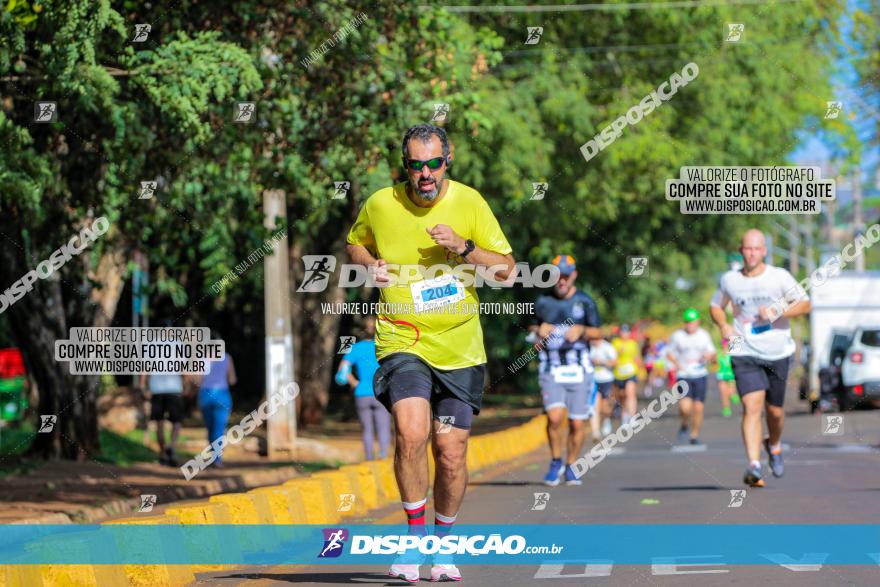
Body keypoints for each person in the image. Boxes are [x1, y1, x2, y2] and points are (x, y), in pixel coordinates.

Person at [346, 123, 515, 583]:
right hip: (403, 341)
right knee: (411, 431)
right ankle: (414, 542)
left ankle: (443, 549)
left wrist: (464, 247)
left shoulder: (470, 202)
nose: (425, 174)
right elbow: (354, 242)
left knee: (452, 450)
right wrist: (369, 265)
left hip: (460, 348)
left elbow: (507, 271)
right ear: (405, 166)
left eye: (433, 163)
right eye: (416, 165)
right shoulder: (381, 203)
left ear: (448, 160)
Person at [710, 229, 810, 487]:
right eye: (747, 248)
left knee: (774, 412)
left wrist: (778, 310)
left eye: (757, 248)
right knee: (751, 407)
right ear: (741, 250)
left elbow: (805, 303)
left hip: (777, 351)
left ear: (764, 251)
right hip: (743, 349)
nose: (752, 253)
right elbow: (715, 306)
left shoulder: (779, 277)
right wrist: (723, 325)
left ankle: (773, 445)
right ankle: (753, 465)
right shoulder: (730, 280)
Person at [530, 255, 602, 486]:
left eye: (566, 276)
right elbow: (531, 328)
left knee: (577, 423)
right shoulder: (542, 301)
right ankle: (555, 461)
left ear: (574, 275)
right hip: (552, 367)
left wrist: (581, 330)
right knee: (554, 417)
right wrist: (539, 330)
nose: (561, 281)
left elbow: (598, 333)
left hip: (579, 368)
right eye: (557, 276)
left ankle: (572, 465)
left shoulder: (585, 301)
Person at [335, 316, 390, 460]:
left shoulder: (355, 348)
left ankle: (369, 457)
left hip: (362, 393)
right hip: (381, 393)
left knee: (367, 429)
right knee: (383, 426)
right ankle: (383, 455)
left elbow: (343, 370)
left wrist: (354, 383)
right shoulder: (385, 347)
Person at [666, 308, 717, 445]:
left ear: (698, 322)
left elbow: (713, 355)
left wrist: (710, 356)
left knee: (699, 407)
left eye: (692, 322)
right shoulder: (678, 336)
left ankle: (694, 434)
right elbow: (669, 353)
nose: (690, 325)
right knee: (685, 407)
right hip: (684, 375)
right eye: (687, 322)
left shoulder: (704, 335)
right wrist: (676, 363)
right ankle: (684, 423)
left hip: (700, 375)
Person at [137, 339, 185, 467]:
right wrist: (188, 385)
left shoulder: (150, 345)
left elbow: (143, 369)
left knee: (159, 422)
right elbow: (184, 369)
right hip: (174, 389)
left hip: (156, 390)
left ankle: (163, 453)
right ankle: (172, 446)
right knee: (177, 421)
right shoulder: (178, 345)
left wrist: (142, 387)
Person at [196, 335, 236, 468]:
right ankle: (217, 458)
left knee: (210, 428)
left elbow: (197, 380)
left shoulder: (202, 358)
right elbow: (232, 380)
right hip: (222, 395)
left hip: (206, 395)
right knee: (219, 429)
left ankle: (214, 456)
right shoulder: (227, 357)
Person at [611, 325, 641, 427]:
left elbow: (637, 358)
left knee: (630, 393)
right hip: (618, 374)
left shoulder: (633, 344)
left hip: (631, 372)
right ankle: (624, 416)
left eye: (626, 332)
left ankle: (633, 417)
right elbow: (612, 357)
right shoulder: (615, 343)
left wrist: (639, 368)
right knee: (622, 396)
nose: (624, 334)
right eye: (623, 332)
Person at [589, 336, 617, 440]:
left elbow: (615, 362)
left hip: (606, 379)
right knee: (595, 405)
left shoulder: (607, 347)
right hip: (593, 380)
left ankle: (606, 419)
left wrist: (601, 362)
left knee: (605, 407)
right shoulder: (588, 346)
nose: (593, 341)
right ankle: (595, 432)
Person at [716, 337, 741, 417]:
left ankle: (733, 394)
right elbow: (714, 362)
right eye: (724, 344)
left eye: (727, 344)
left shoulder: (733, 353)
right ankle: (726, 408)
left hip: (731, 375)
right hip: (721, 375)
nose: (725, 346)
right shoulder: (719, 353)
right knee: (723, 393)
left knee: (730, 391)